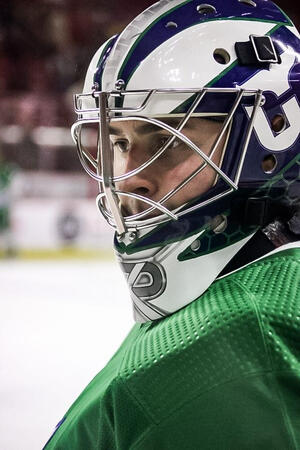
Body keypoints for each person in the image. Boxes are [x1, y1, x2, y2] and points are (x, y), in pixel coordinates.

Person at [44, 0, 300, 448]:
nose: (130, 177)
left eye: (166, 139)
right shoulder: (251, 301)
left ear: (274, 136)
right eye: (121, 141)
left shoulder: (225, 350)